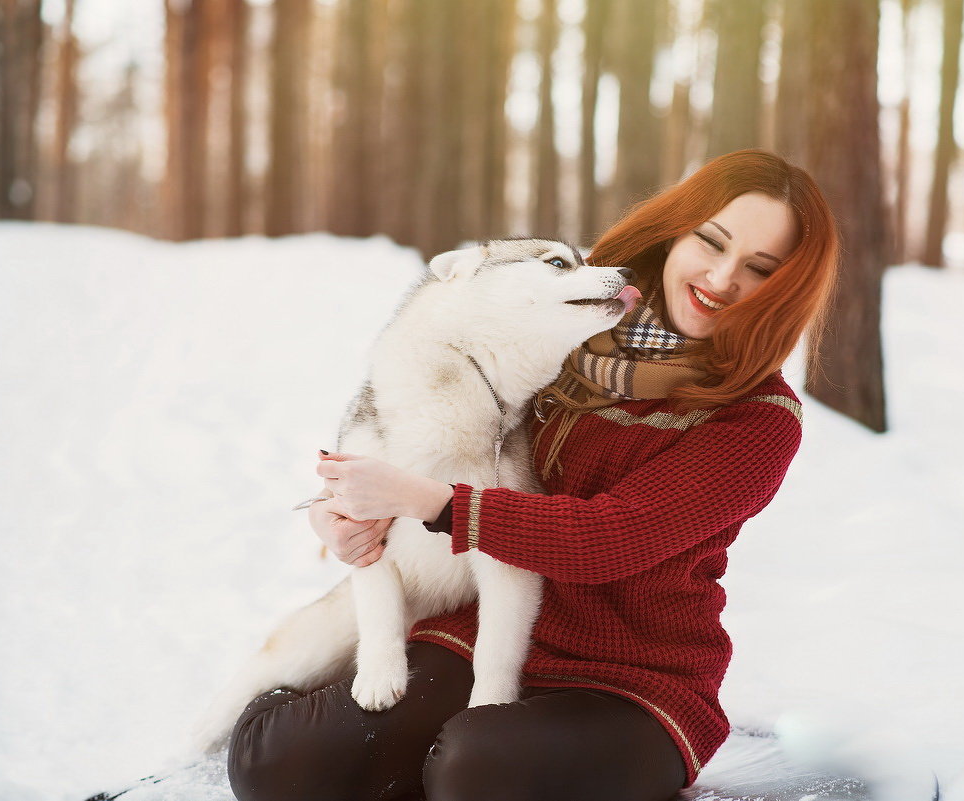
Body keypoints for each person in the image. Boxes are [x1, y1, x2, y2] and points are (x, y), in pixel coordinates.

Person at [226, 149, 840, 801]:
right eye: (711, 242)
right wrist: (344, 508)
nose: (721, 277)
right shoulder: (567, 329)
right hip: (485, 632)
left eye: (759, 268)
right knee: (283, 760)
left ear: (784, 290)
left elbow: (612, 537)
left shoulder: (759, 416)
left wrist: (434, 502)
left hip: (632, 683)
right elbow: (425, 423)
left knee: (473, 771)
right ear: (677, 230)